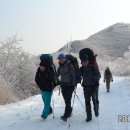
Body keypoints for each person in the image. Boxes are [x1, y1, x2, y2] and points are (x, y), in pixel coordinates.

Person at [80, 56, 101, 122]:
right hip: (86, 88)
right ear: (81, 62)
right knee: (87, 102)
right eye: (83, 62)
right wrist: (78, 80)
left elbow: (99, 75)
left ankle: (96, 111)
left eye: (86, 61)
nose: (85, 63)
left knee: (95, 101)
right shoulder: (81, 69)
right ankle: (89, 116)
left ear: (88, 61)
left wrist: (94, 80)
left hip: (94, 87)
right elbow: (78, 76)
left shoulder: (93, 67)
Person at [56, 54, 76, 121]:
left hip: (70, 85)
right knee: (66, 100)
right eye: (59, 59)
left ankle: (66, 115)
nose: (60, 60)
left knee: (68, 100)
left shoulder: (70, 66)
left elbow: (74, 75)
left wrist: (73, 85)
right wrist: (53, 80)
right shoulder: (60, 67)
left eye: (61, 59)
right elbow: (57, 74)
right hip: (63, 85)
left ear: (64, 59)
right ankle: (69, 111)